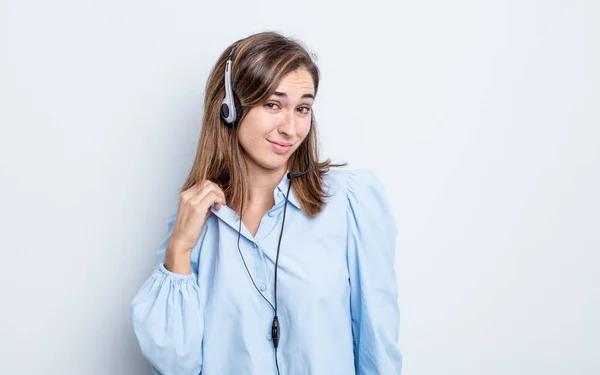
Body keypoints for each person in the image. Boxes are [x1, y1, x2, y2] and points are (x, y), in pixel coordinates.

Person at [131, 31, 403, 375]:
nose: (290, 128)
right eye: (273, 105)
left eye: (302, 108)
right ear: (229, 108)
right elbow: (175, 365)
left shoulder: (349, 202)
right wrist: (179, 250)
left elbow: (377, 342)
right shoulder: (193, 224)